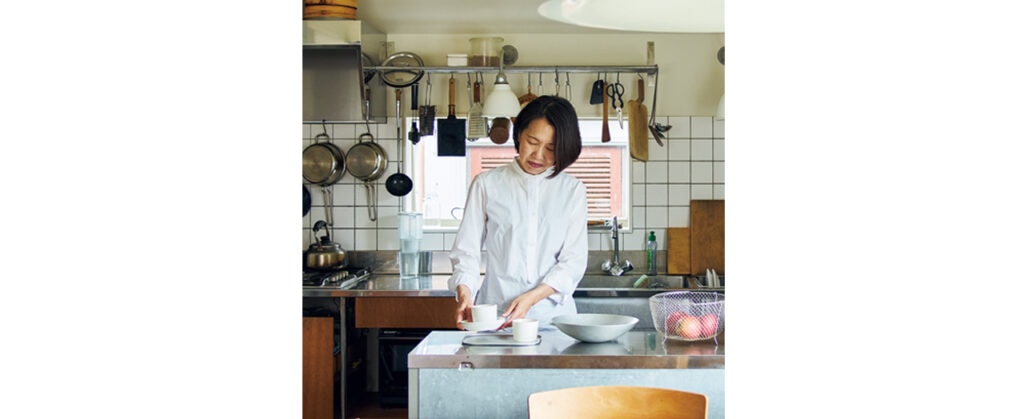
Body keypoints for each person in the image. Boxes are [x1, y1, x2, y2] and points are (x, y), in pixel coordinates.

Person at [448, 95, 589, 330]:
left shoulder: (572, 190)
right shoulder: (487, 184)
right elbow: (467, 251)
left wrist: (531, 298)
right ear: (519, 134)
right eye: (532, 142)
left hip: (553, 320)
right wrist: (465, 293)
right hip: (494, 318)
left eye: (551, 148)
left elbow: (573, 262)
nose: (538, 155)